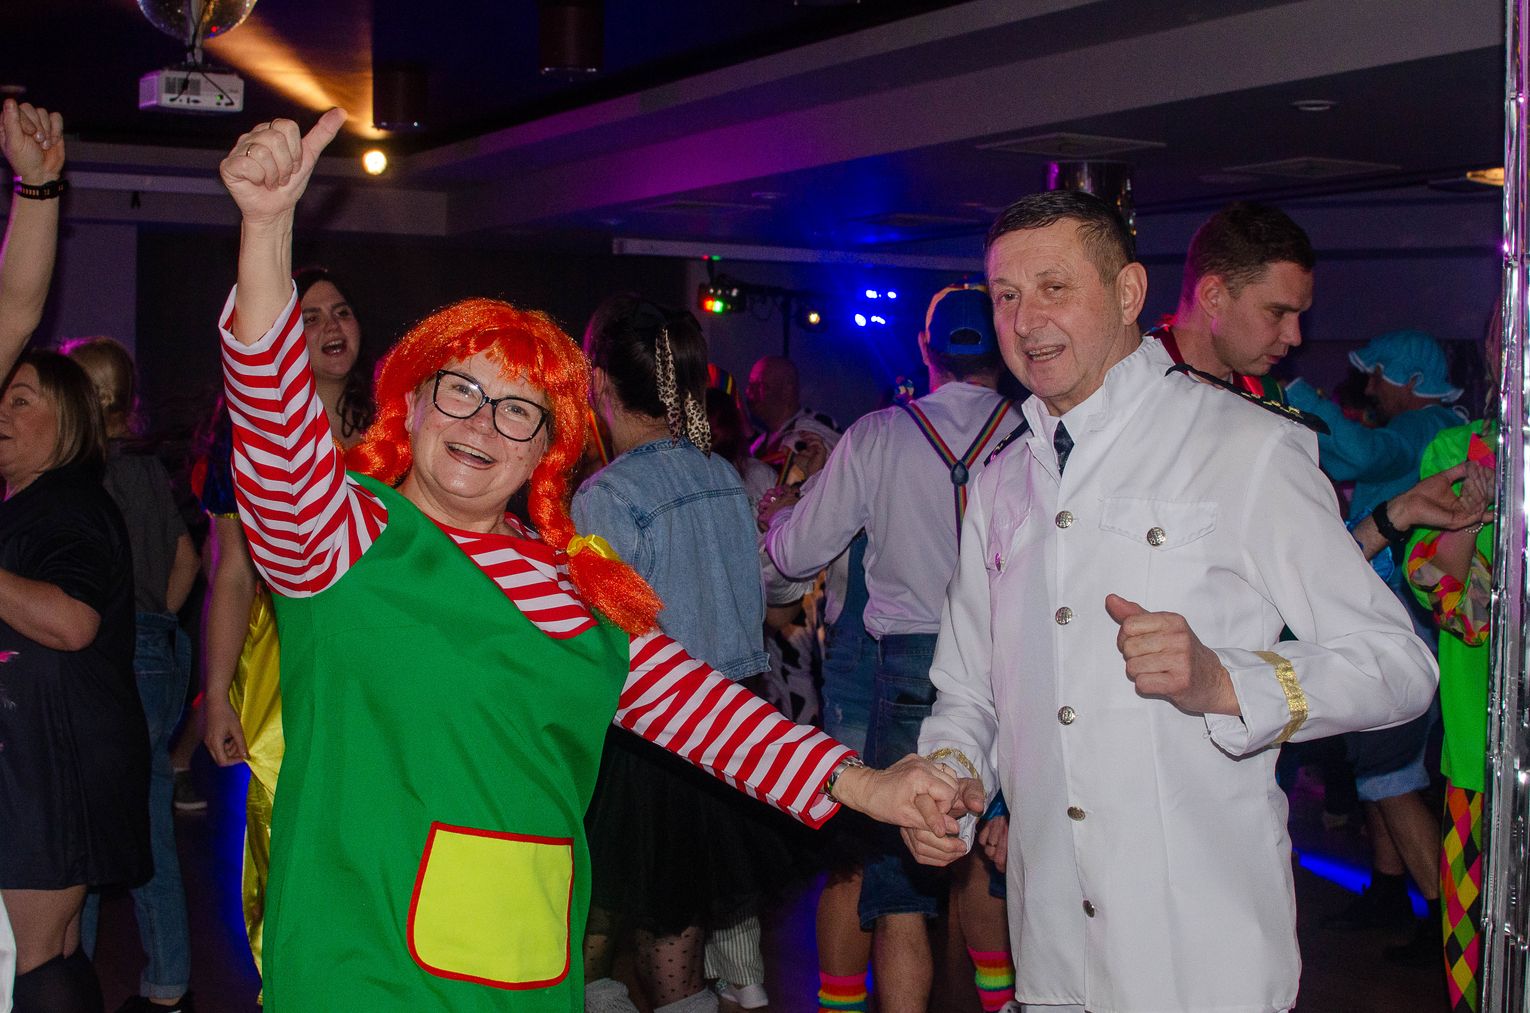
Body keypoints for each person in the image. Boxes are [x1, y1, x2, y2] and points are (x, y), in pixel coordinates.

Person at [216, 109, 965, 1011]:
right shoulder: (341, 538)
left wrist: (872, 783)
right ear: (410, 404)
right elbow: (272, 417)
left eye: (517, 411)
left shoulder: (574, 584)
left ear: (547, 451)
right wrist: (267, 228)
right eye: (460, 391)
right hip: (359, 969)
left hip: (523, 965)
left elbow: (702, 710)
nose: (482, 423)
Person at [906, 189, 1437, 1013]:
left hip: (1201, 961)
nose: (1025, 319)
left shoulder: (1248, 446)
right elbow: (968, 691)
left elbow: (1398, 665)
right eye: (1006, 295)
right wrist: (949, 775)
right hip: (1053, 957)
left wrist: (1228, 682)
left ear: (1127, 293)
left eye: (1053, 287)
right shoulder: (1001, 479)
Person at [761, 285, 1017, 1013]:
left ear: (925, 348)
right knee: (993, 857)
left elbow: (795, 556)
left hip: (904, 664)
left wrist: (778, 525)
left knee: (892, 879)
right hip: (1012, 665)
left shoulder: (878, 434)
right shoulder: (1032, 431)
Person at [575, 295, 781, 1013]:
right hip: (730, 725)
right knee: (678, 930)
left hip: (650, 734)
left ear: (599, 383)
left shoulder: (607, 494)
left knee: (601, 927)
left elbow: (605, 639)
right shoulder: (723, 474)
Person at [199, 264, 374, 980]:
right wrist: (215, 695)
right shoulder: (251, 435)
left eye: (342, 311)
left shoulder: (402, 424)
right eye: (309, 316)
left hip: (382, 652)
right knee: (289, 823)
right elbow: (232, 574)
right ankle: (293, 981)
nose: (331, 326)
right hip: (287, 653)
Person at [1286, 329, 1464, 950]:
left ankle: (1444, 920)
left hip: (1401, 622)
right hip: (1391, 618)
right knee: (1378, 770)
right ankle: (1390, 891)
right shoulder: (1432, 428)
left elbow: (1358, 455)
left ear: (1411, 380)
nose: (1369, 386)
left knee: (1391, 776)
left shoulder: (1426, 426)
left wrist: (1294, 392)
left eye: (1378, 373)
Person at [0, 349, 149, 1013]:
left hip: (52, 766)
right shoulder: (43, 503)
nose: (2, 412)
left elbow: (72, 620)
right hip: (51, 758)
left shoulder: (66, 505)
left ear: (68, 419)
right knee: (50, 950)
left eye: (21, 399)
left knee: (32, 955)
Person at [64, 337, 199, 1013]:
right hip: (158, 650)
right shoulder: (146, 470)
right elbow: (187, 560)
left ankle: (71, 975)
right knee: (148, 823)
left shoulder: (81, 477)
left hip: (110, 653)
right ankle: (168, 980)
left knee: (86, 829)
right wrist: (157, 623)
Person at [1148, 200, 1314, 403]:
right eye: (1277, 312)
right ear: (1213, 297)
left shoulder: (1268, 396)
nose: (1295, 337)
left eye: (1300, 315)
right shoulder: (1129, 381)